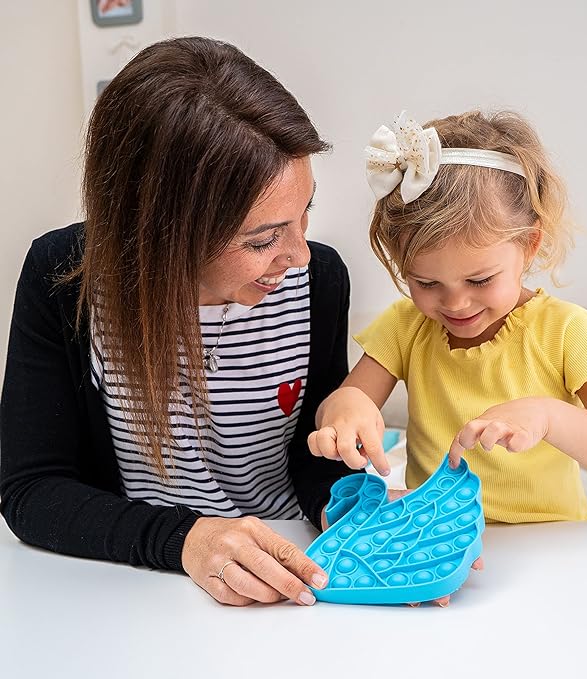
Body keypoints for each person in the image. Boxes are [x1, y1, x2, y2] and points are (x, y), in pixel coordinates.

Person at [0, 36, 360, 607]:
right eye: (262, 240)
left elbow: (313, 465)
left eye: (305, 211)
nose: (298, 256)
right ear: (163, 233)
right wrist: (186, 540)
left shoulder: (321, 282)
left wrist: (356, 515)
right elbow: (32, 492)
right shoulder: (65, 278)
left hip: (289, 577)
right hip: (132, 589)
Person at [309, 110, 587, 546]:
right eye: (426, 283)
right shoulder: (405, 325)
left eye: (479, 280)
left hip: (556, 545)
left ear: (529, 245)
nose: (455, 303)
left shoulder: (565, 331)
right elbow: (343, 403)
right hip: (438, 540)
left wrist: (549, 417)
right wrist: (345, 409)